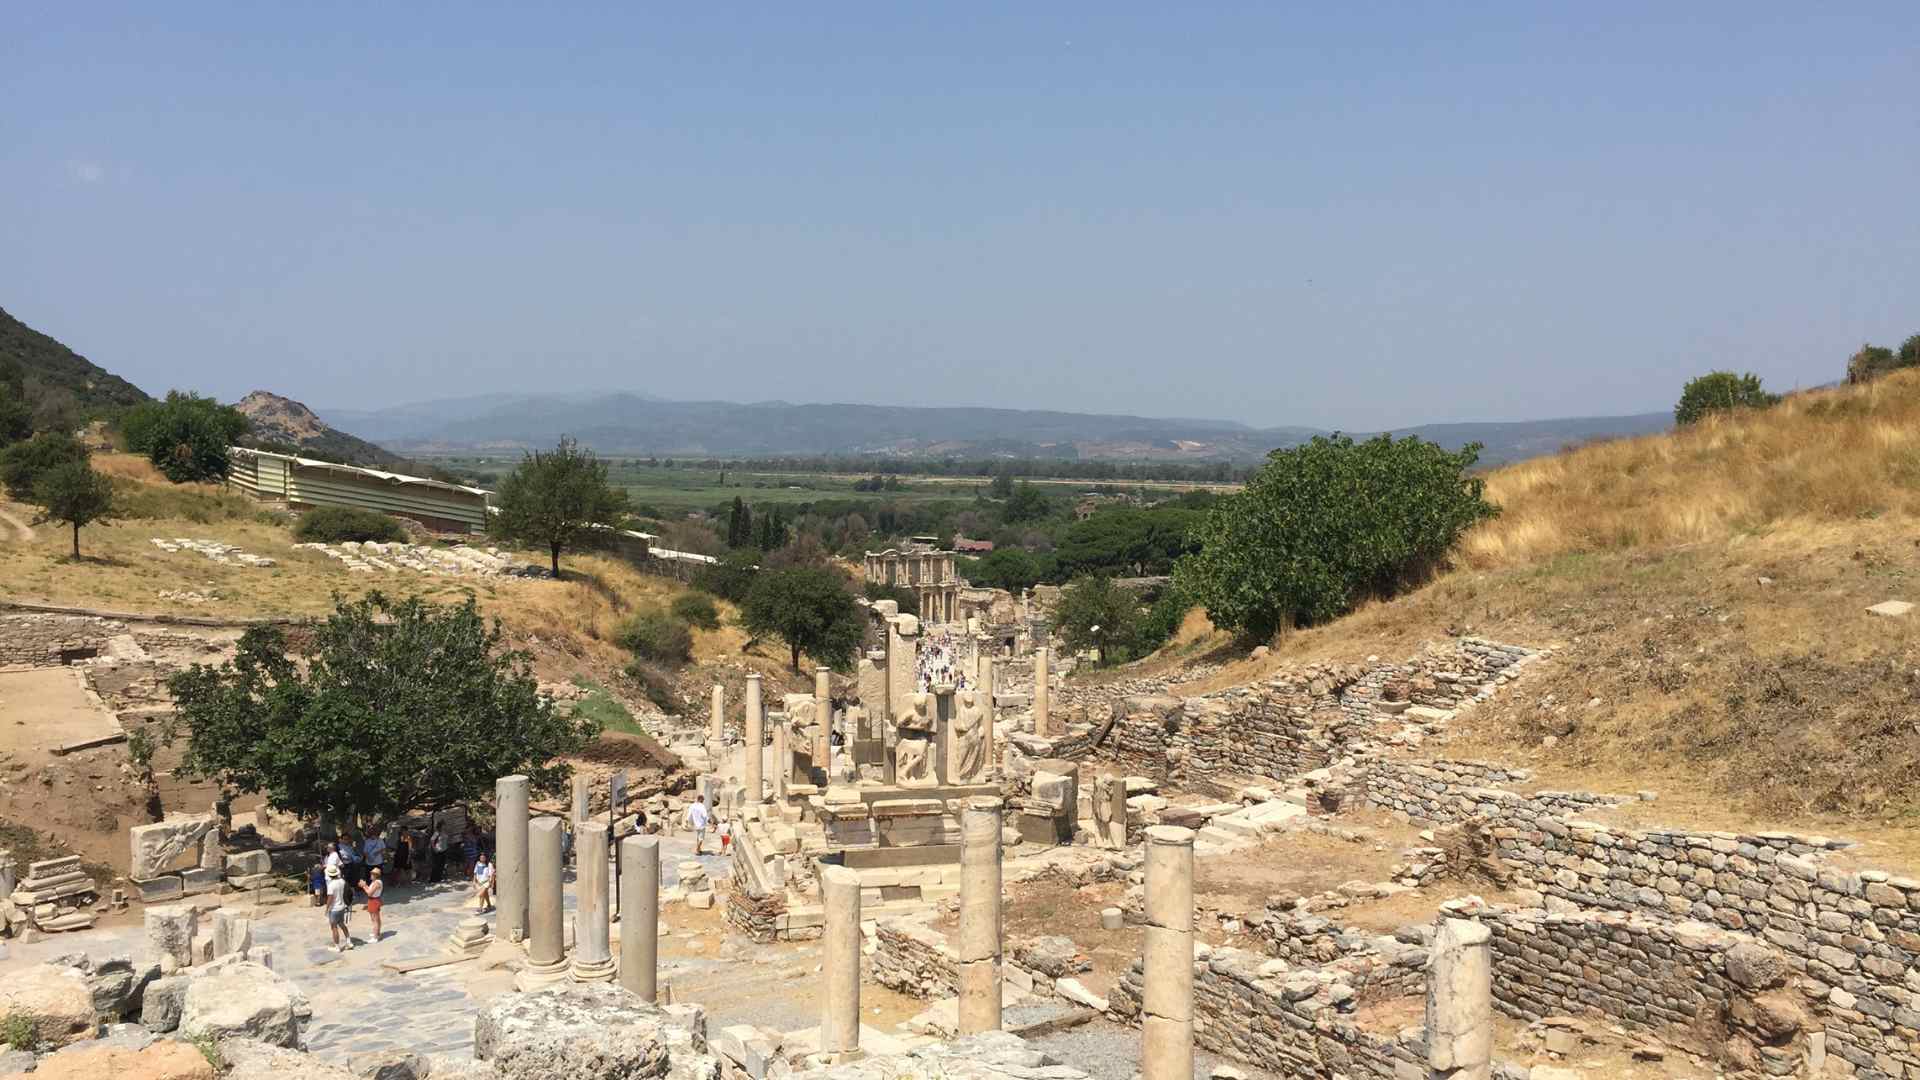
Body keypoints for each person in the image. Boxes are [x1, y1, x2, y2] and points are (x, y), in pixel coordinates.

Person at [325, 864, 352, 951]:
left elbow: (330, 898)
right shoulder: (342, 881)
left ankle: (337, 946)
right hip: (342, 906)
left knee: (334, 927)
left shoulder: (331, 885)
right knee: (342, 924)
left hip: (334, 909)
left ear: (329, 875)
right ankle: (349, 941)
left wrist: (327, 908)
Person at [358, 867, 385, 941]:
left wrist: (363, 886)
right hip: (373, 900)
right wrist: (365, 885)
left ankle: (375, 937)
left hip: (374, 901)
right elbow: (369, 890)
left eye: (372, 874)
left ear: (375, 875)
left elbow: (369, 893)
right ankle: (377, 933)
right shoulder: (375, 882)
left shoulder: (376, 883)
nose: (370, 875)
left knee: (375, 920)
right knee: (375, 919)